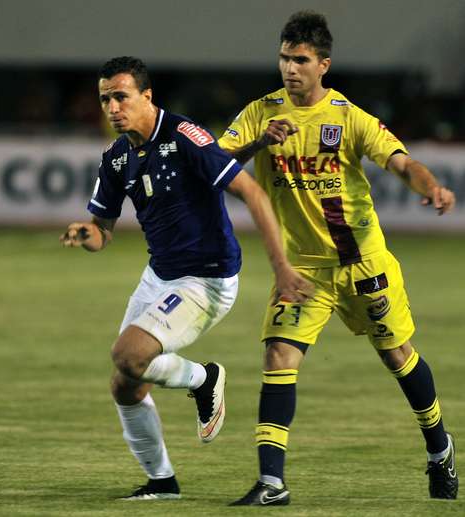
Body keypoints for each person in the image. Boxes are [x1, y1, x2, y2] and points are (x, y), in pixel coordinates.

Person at [218, 11, 458, 505]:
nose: (290, 68)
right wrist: (262, 141)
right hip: (303, 268)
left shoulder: (349, 118)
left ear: (323, 64)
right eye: (284, 57)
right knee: (278, 356)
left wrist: (430, 184)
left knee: (397, 356)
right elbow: (215, 165)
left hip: (362, 263)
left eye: (301, 59)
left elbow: (401, 161)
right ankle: (271, 483)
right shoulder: (261, 113)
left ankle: (440, 448)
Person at [60, 56, 312, 500]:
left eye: (121, 96)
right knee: (125, 382)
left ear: (146, 96)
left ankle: (203, 379)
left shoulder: (183, 135)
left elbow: (250, 191)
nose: (113, 107)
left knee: (128, 353)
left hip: (206, 279)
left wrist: (282, 268)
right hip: (160, 275)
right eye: (105, 99)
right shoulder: (117, 157)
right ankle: (163, 481)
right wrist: (88, 234)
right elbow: (103, 232)